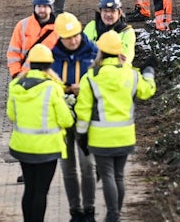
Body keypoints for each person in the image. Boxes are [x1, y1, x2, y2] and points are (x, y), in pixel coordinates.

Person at [74, 31, 157, 222]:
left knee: (108, 175)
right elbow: (147, 91)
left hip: (100, 137)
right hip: (125, 136)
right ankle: (115, 215)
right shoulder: (131, 74)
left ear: (100, 52)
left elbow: (83, 110)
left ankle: (112, 215)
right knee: (118, 176)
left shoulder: (91, 77)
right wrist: (149, 72)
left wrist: (81, 134)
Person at [7, 44, 75, 222]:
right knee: (41, 192)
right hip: (47, 149)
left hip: (22, 146)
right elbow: (66, 120)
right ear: (49, 65)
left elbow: (11, 114)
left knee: (29, 189)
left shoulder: (15, 85)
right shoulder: (52, 88)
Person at [51, 12, 99, 222]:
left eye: (77, 35)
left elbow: (104, 82)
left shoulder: (93, 54)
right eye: (69, 37)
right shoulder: (51, 57)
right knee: (67, 167)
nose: (74, 40)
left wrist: (85, 88)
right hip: (61, 117)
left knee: (88, 165)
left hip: (85, 118)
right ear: (60, 37)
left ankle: (89, 210)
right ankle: (75, 212)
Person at [6, 0, 59, 77]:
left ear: (51, 7)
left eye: (45, 6)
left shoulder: (59, 28)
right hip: (25, 77)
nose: (42, 10)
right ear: (34, 6)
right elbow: (13, 53)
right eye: (39, 6)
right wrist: (16, 74)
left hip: (50, 79)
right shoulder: (22, 25)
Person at [82, 0, 136, 64]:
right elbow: (83, 51)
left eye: (112, 11)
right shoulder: (92, 26)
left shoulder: (127, 32)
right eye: (105, 11)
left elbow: (126, 59)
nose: (108, 14)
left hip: (118, 72)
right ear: (100, 12)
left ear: (119, 13)